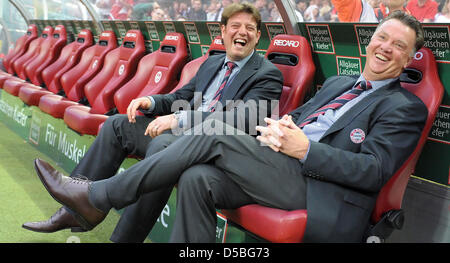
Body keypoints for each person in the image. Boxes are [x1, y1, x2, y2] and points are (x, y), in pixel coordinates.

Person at [34, 11, 428, 243]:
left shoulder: (403, 107)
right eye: (381, 37)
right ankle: (91, 201)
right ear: (369, 41)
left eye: (398, 45)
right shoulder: (341, 83)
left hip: (319, 188)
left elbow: (374, 172)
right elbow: (301, 120)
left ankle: (97, 197)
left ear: (409, 57)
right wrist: (284, 128)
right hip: (276, 162)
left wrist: (302, 149)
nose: (385, 48)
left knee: (215, 134)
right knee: (197, 177)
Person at [22, 2, 283, 237]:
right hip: (179, 135)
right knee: (118, 125)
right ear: (223, 31)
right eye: (235, 26)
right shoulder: (212, 63)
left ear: (258, 36)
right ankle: (72, 209)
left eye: (250, 28)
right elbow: (183, 95)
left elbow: (243, 120)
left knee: (162, 145)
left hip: (215, 148)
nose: (242, 32)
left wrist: (180, 119)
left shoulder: (267, 74)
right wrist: (153, 102)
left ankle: (122, 238)